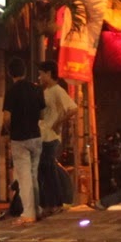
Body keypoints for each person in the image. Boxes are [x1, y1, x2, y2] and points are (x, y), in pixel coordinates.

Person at [0, 56, 45, 225]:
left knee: (24, 176)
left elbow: (6, 117)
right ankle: (37, 209)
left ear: (10, 73)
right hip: (36, 136)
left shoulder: (11, 91)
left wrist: (8, 130)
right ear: (25, 71)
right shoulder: (36, 89)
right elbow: (41, 115)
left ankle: (28, 213)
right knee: (33, 175)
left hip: (19, 138)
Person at [37, 62, 78, 215]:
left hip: (51, 137)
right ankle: (48, 203)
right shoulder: (45, 91)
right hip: (42, 135)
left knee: (49, 169)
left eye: (41, 73)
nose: (40, 77)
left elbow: (73, 108)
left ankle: (56, 203)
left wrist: (57, 123)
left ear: (49, 73)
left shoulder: (57, 90)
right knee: (44, 170)